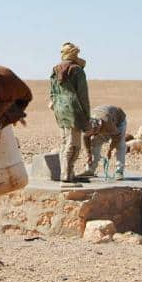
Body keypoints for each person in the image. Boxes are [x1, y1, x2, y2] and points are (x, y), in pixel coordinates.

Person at [49, 42, 90, 182]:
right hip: (74, 110)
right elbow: (83, 95)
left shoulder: (55, 70)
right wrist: (87, 116)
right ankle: (66, 174)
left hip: (59, 109)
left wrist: (55, 105)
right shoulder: (77, 70)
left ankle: (68, 173)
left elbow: (52, 92)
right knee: (74, 144)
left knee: (64, 141)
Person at [79, 105, 128, 181]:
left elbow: (117, 136)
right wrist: (88, 154)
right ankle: (90, 170)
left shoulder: (107, 123)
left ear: (97, 128)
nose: (93, 135)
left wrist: (110, 149)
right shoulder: (87, 126)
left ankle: (119, 171)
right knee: (94, 143)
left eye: (93, 133)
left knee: (120, 145)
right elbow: (86, 138)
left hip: (119, 121)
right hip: (104, 119)